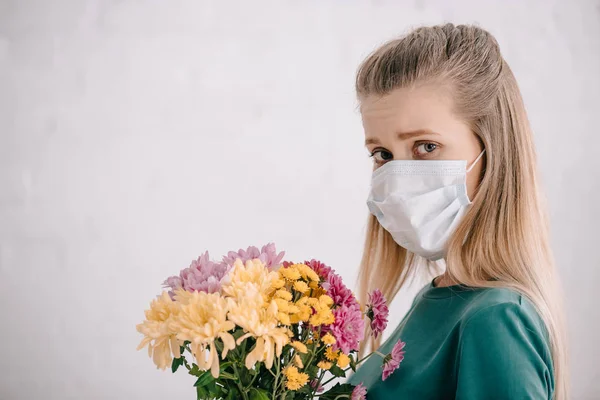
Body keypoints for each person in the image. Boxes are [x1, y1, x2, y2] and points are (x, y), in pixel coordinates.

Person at [348, 23, 568, 399]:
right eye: (382, 154)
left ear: (493, 151)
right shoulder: (438, 299)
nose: (399, 177)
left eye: (426, 147)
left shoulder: (495, 318)